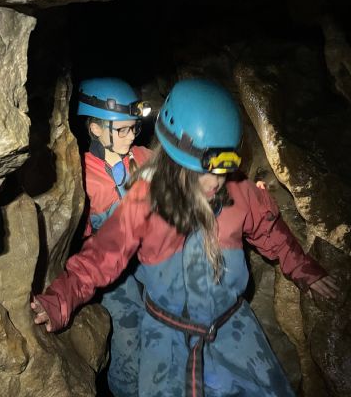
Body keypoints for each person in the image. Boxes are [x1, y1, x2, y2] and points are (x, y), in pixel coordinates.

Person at [32, 79, 338, 397]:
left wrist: (303, 269)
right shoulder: (145, 199)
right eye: (206, 171)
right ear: (175, 159)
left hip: (233, 330)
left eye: (224, 169)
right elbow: (101, 256)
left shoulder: (239, 191)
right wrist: (59, 300)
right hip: (167, 337)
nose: (217, 182)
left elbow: (268, 228)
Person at [76, 78, 152, 396]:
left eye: (133, 128)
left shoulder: (142, 158)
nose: (131, 135)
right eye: (122, 130)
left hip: (146, 256)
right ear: (96, 129)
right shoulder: (83, 176)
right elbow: (79, 240)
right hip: (110, 269)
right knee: (130, 326)